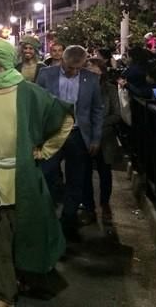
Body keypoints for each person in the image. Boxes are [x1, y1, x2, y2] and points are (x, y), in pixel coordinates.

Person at [0, 37, 73, 307]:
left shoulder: (29, 92)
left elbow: (64, 118)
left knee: (25, 233)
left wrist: (44, 151)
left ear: (2, 59)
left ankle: (24, 279)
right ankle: (4, 293)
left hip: (21, 178)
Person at [36, 45, 104, 240]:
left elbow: (97, 110)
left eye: (77, 68)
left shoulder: (90, 79)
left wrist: (95, 138)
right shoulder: (46, 75)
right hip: (52, 134)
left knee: (77, 179)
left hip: (78, 135)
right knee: (47, 174)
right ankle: (46, 219)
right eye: (69, 67)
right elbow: (37, 103)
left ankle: (68, 220)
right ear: (62, 60)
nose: (73, 71)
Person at [81, 58, 122, 225]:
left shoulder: (110, 89)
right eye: (89, 71)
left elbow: (116, 114)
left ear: (102, 73)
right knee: (85, 174)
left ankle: (105, 205)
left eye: (96, 72)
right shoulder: (80, 89)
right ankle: (89, 208)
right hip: (85, 137)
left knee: (105, 173)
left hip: (105, 138)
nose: (93, 75)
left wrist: (97, 125)